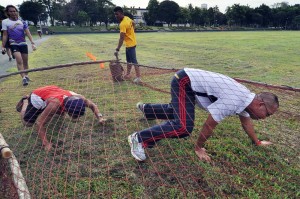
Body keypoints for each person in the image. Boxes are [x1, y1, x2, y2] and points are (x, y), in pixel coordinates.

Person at [128, 68, 279, 162]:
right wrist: (198, 147)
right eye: (268, 114)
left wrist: (257, 142)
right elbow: (209, 124)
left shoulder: (247, 100)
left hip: (190, 82)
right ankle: (139, 138)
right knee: (183, 127)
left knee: (179, 112)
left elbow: (246, 123)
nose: (265, 118)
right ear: (260, 104)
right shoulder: (234, 100)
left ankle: (147, 109)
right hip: (184, 81)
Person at [16, 85, 107, 151]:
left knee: (59, 114)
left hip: (52, 92)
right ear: (67, 109)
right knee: (27, 123)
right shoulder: (54, 105)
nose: (76, 118)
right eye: (74, 116)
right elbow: (39, 123)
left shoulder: (79, 98)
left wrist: (100, 117)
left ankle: (56, 110)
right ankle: (25, 101)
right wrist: (46, 144)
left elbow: (93, 105)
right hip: (38, 96)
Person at [1, 5, 35, 86]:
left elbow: (27, 32)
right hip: (13, 43)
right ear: (8, 13)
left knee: (25, 61)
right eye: (11, 11)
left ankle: (26, 76)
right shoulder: (5, 22)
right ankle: (23, 78)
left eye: (14, 11)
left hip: (23, 43)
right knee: (19, 60)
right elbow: (5, 35)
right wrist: (3, 46)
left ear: (17, 11)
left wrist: (32, 42)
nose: (13, 13)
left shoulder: (22, 21)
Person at [113, 6, 141, 83]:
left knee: (134, 61)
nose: (116, 16)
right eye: (115, 14)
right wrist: (132, 32)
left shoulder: (123, 24)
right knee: (129, 60)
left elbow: (121, 38)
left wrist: (117, 49)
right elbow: (133, 23)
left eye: (117, 14)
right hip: (130, 43)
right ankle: (128, 74)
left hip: (131, 45)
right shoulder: (127, 18)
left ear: (121, 13)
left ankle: (138, 77)